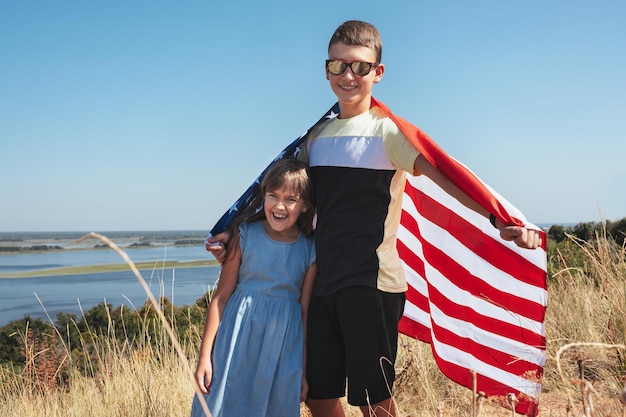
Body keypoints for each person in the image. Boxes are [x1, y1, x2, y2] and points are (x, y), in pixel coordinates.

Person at [207, 20, 542, 417]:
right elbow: (280, 194)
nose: (348, 75)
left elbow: (443, 173)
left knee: (373, 400)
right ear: (327, 69)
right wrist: (232, 233)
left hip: (372, 283)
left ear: (377, 73)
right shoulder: (314, 137)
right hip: (321, 279)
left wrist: (495, 216)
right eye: (338, 66)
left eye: (360, 67)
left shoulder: (388, 133)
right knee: (317, 395)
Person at [191, 158, 317, 417]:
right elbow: (221, 298)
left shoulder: (309, 250)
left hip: (282, 350)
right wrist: (205, 356)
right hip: (235, 342)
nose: (280, 206)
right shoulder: (245, 234)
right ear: (264, 197)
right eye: (273, 196)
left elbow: (304, 312)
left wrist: (302, 370)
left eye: (291, 199)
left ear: (305, 206)